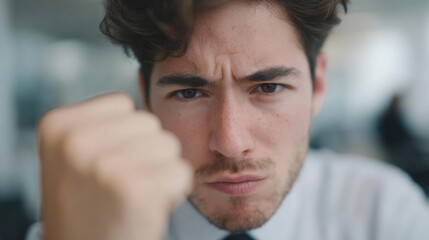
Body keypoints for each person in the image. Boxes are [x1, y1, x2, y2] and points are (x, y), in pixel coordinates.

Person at [28, 0, 429, 239]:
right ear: (146, 97)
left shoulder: (382, 210)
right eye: (188, 93)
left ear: (318, 85)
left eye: (268, 88)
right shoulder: (88, 223)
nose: (231, 142)